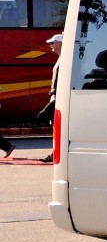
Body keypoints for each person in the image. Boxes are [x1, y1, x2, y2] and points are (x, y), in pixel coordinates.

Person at [36, 34, 62, 163]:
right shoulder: (61, 58)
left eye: (53, 42)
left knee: (58, 128)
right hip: (55, 96)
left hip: (58, 97)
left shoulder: (64, 59)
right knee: (57, 128)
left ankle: (55, 154)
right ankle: (55, 153)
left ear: (61, 44)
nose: (50, 45)